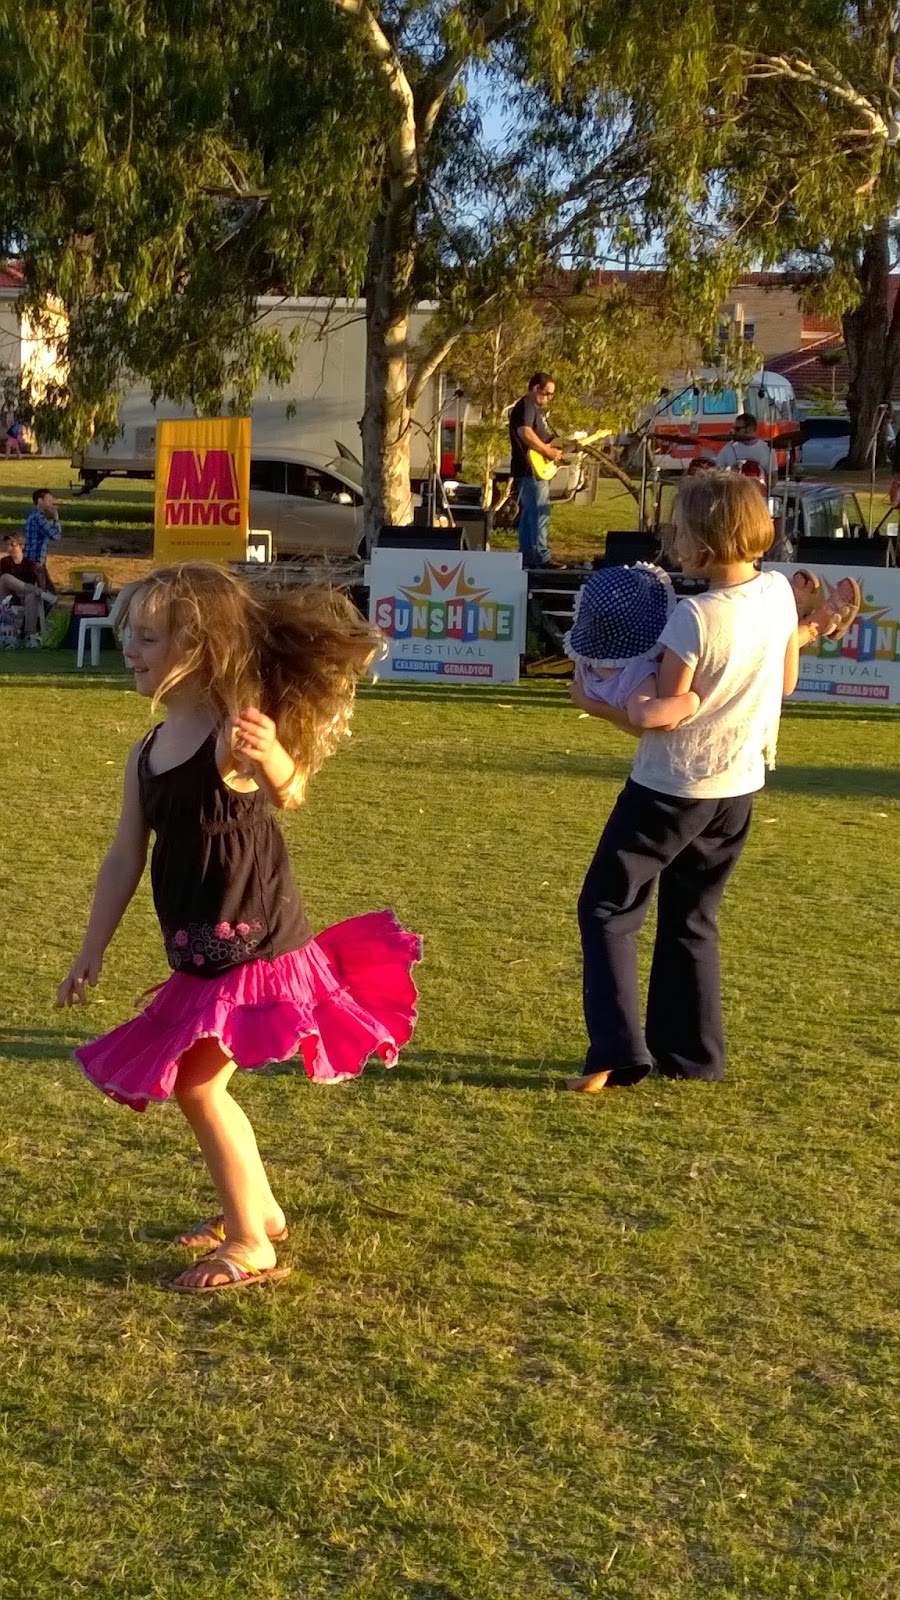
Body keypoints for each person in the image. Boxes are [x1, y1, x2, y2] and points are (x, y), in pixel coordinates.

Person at [57, 562, 422, 1294]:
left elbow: (292, 791)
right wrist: (90, 950)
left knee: (197, 1088)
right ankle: (262, 1213)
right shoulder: (146, 752)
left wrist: (275, 758)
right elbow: (125, 856)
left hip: (257, 948)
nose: (131, 648)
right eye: (130, 634)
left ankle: (251, 1241)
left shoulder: (232, 735)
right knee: (198, 1086)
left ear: (199, 647)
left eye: (149, 636)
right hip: (200, 954)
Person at [565, 473, 842, 1094]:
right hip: (738, 786)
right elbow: (785, 682)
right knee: (692, 918)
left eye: (681, 529)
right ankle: (692, 1057)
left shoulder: (693, 617)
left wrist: (598, 705)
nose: (674, 539)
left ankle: (617, 1052)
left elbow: (665, 715)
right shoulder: (776, 591)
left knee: (607, 909)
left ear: (705, 540)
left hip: (672, 786)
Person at [508, 372, 564, 569]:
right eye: (547, 393)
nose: (549, 398)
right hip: (529, 468)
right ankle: (542, 556)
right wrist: (548, 451)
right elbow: (525, 432)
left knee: (529, 513)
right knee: (540, 512)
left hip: (531, 469)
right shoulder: (527, 405)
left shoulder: (535, 410)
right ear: (534, 388)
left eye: (552, 394)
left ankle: (527, 557)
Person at [0, 532, 56, 647]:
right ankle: (35, 591)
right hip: (6, 597)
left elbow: (45, 586)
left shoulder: (30, 563)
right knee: (5, 578)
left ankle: (31, 635)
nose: (9, 548)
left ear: (22, 546)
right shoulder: (4, 562)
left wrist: (40, 575)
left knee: (31, 596)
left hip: (24, 597)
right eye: (7, 545)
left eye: (12, 545)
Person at [703, 413, 773, 479]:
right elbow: (718, 470)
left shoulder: (767, 449)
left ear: (749, 429)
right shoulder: (729, 447)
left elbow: (773, 476)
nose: (733, 432)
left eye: (737, 429)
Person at [23, 488, 62, 586]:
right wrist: (56, 518)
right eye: (49, 500)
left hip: (32, 559)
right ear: (40, 501)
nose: (51, 503)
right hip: (36, 560)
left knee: (47, 589)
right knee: (42, 589)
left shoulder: (34, 516)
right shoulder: (39, 518)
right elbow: (55, 536)